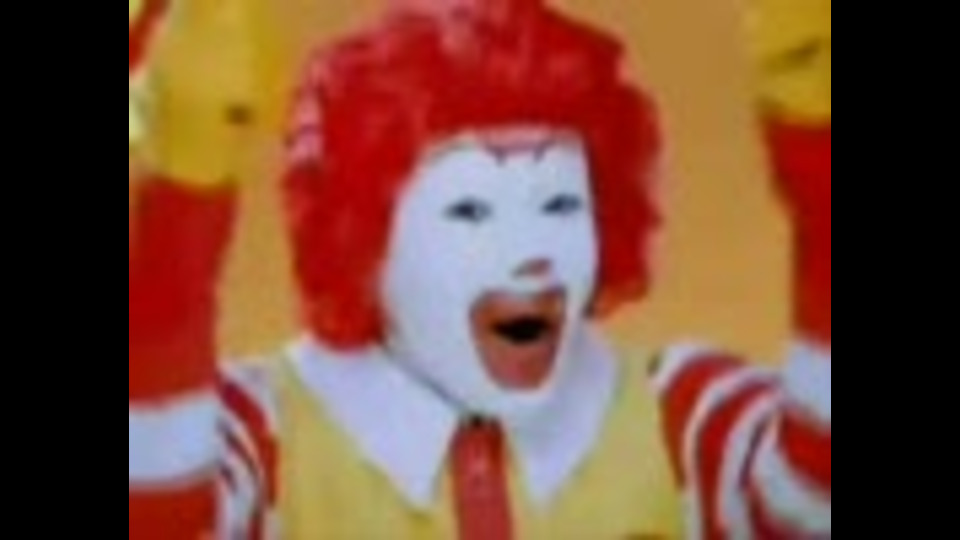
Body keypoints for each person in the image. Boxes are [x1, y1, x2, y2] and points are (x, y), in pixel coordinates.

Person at [128, 0, 831, 537]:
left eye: (560, 204)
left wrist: (818, 159)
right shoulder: (265, 428)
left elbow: (808, 510)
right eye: (469, 211)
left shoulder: (678, 408)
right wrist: (182, 190)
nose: (532, 251)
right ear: (365, 246)